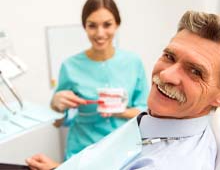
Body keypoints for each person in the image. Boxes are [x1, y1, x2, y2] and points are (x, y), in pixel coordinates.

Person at [26, 10, 220, 169]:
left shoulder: (169, 160)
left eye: (195, 71)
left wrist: (121, 111)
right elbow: (103, 158)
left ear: (117, 25)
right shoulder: (158, 119)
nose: (166, 75)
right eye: (169, 56)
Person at [49, 0, 149, 161]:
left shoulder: (133, 62)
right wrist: (56, 105)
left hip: (124, 149)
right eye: (92, 26)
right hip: (82, 151)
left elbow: (145, 111)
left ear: (117, 24)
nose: (100, 33)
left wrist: (119, 111)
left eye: (107, 25)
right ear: (85, 27)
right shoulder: (70, 66)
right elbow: (59, 120)